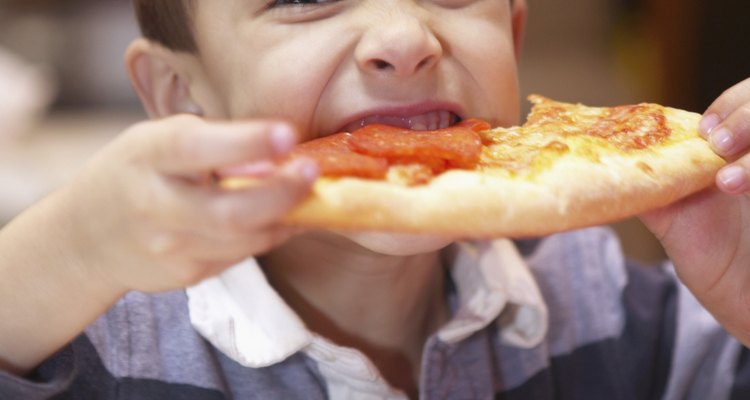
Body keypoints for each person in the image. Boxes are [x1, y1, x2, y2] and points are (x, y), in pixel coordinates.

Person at [1, 0, 750, 398]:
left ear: (514, 38)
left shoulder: (605, 300)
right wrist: (68, 250)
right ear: (179, 94)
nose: (402, 34)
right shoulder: (97, 340)